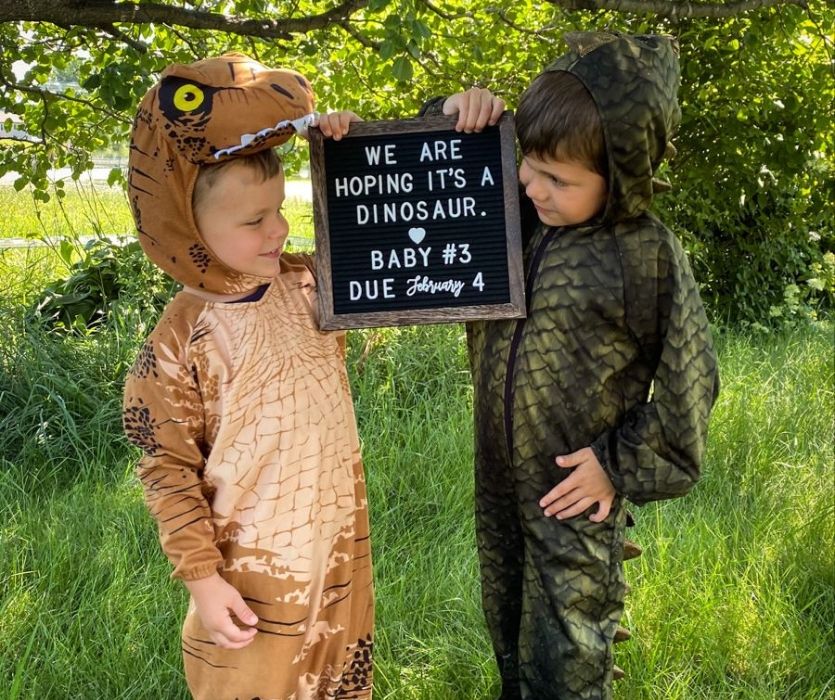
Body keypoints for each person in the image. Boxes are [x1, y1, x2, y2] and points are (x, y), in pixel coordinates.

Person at [426, 32, 720, 699]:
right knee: (508, 625)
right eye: (526, 160)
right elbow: (430, 172)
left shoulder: (642, 254)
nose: (531, 183)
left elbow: (690, 380)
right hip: (500, 477)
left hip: (572, 494)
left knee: (568, 649)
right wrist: (458, 112)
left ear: (617, 175)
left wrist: (616, 463)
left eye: (557, 178)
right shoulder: (515, 218)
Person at [122, 53, 371, 699]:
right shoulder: (180, 340)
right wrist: (203, 580)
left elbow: (389, 259)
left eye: (279, 210)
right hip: (251, 577)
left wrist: (344, 153)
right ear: (190, 227)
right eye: (253, 222)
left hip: (339, 558)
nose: (278, 230)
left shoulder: (308, 283)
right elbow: (166, 468)